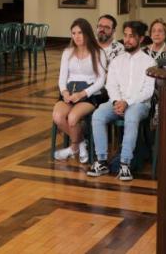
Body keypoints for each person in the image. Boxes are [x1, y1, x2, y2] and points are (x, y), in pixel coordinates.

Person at [87, 21, 156, 181]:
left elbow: (148, 91)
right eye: (125, 35)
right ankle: (102, 160)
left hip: (139, 105)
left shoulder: (149, 62)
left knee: (131, 117)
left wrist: (127, 102)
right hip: (117, 104)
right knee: (98, 114)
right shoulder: (117, 61)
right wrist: (117, 101)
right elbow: (111, 85)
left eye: (131, 36)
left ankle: (125, 164)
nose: (127, 40)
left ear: (141, 39)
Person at [53, 18, 107, 164]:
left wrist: (82, 94)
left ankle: (73, 147)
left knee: (72, 118)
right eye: (74, 33)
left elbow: (101, 80)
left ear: (88, 34)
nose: (77, 36)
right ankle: (80, 144)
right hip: (69, 93)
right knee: (58, 117)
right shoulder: (67, 52)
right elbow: (62, 77)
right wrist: (64, 92)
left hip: (89, 94)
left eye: (80, 33)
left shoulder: (98, 52)